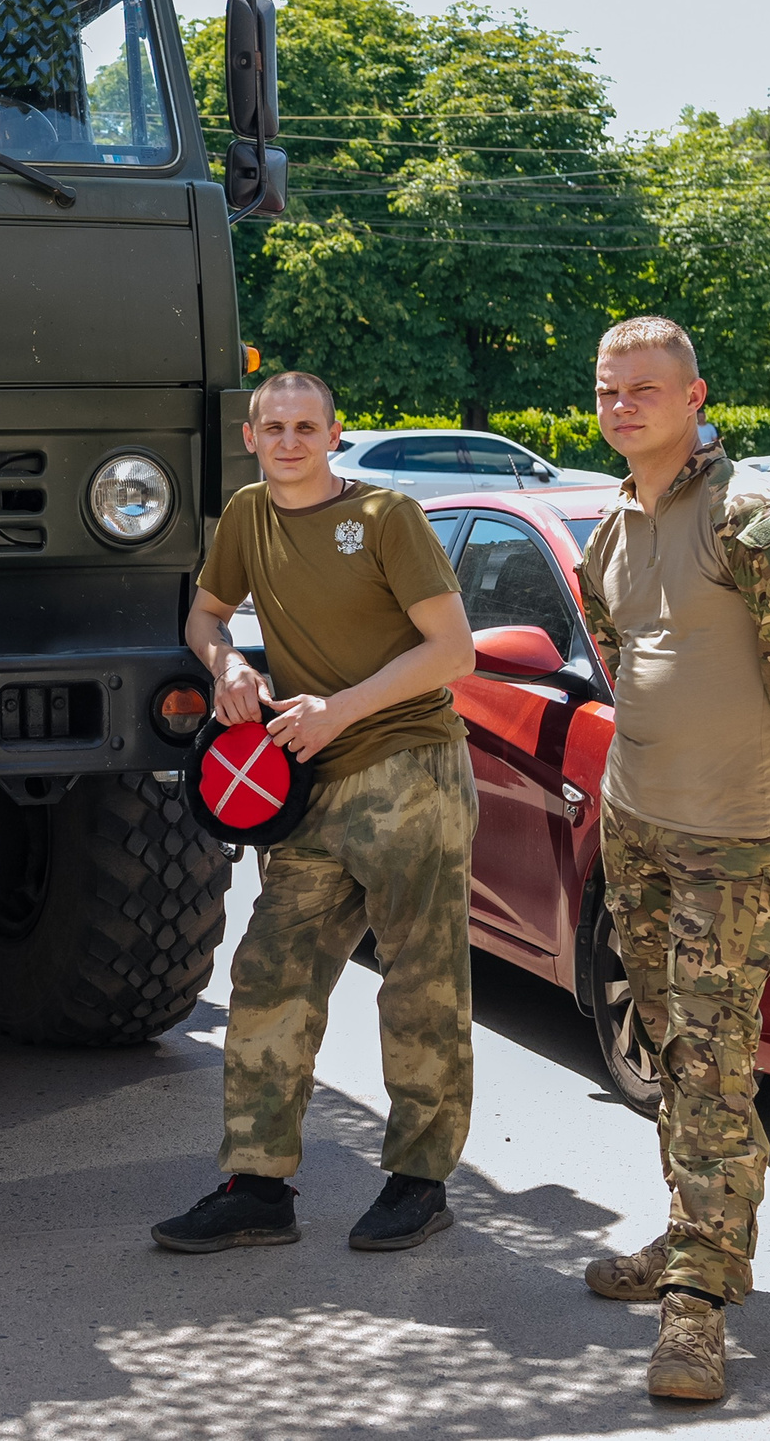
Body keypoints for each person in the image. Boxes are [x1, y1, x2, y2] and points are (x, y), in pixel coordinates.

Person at [572, 316, 770, 1402]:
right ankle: (689, 1239)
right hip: (635, 820)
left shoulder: (753, 522)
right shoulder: (610, 528)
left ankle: (696, 1305)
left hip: (729, 834)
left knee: (716, 1061)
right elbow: (611, 644)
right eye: (607, 391)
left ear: (695, 398)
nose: (623, 406)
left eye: (645, 389)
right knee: (670, 1052)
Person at [150, 369, 479, 1258]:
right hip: (306, 775)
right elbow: (204, 614)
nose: (290, 439)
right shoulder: (248, 516)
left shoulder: (387, 518)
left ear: (335, 435)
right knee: (269, 973)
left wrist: (337, 707)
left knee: (422, 981)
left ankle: (419, 1181)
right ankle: (256, 1186)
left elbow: (454, 651)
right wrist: (228, 665)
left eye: (306, 425)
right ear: (251, 436)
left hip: (408, 765)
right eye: (274, 425)